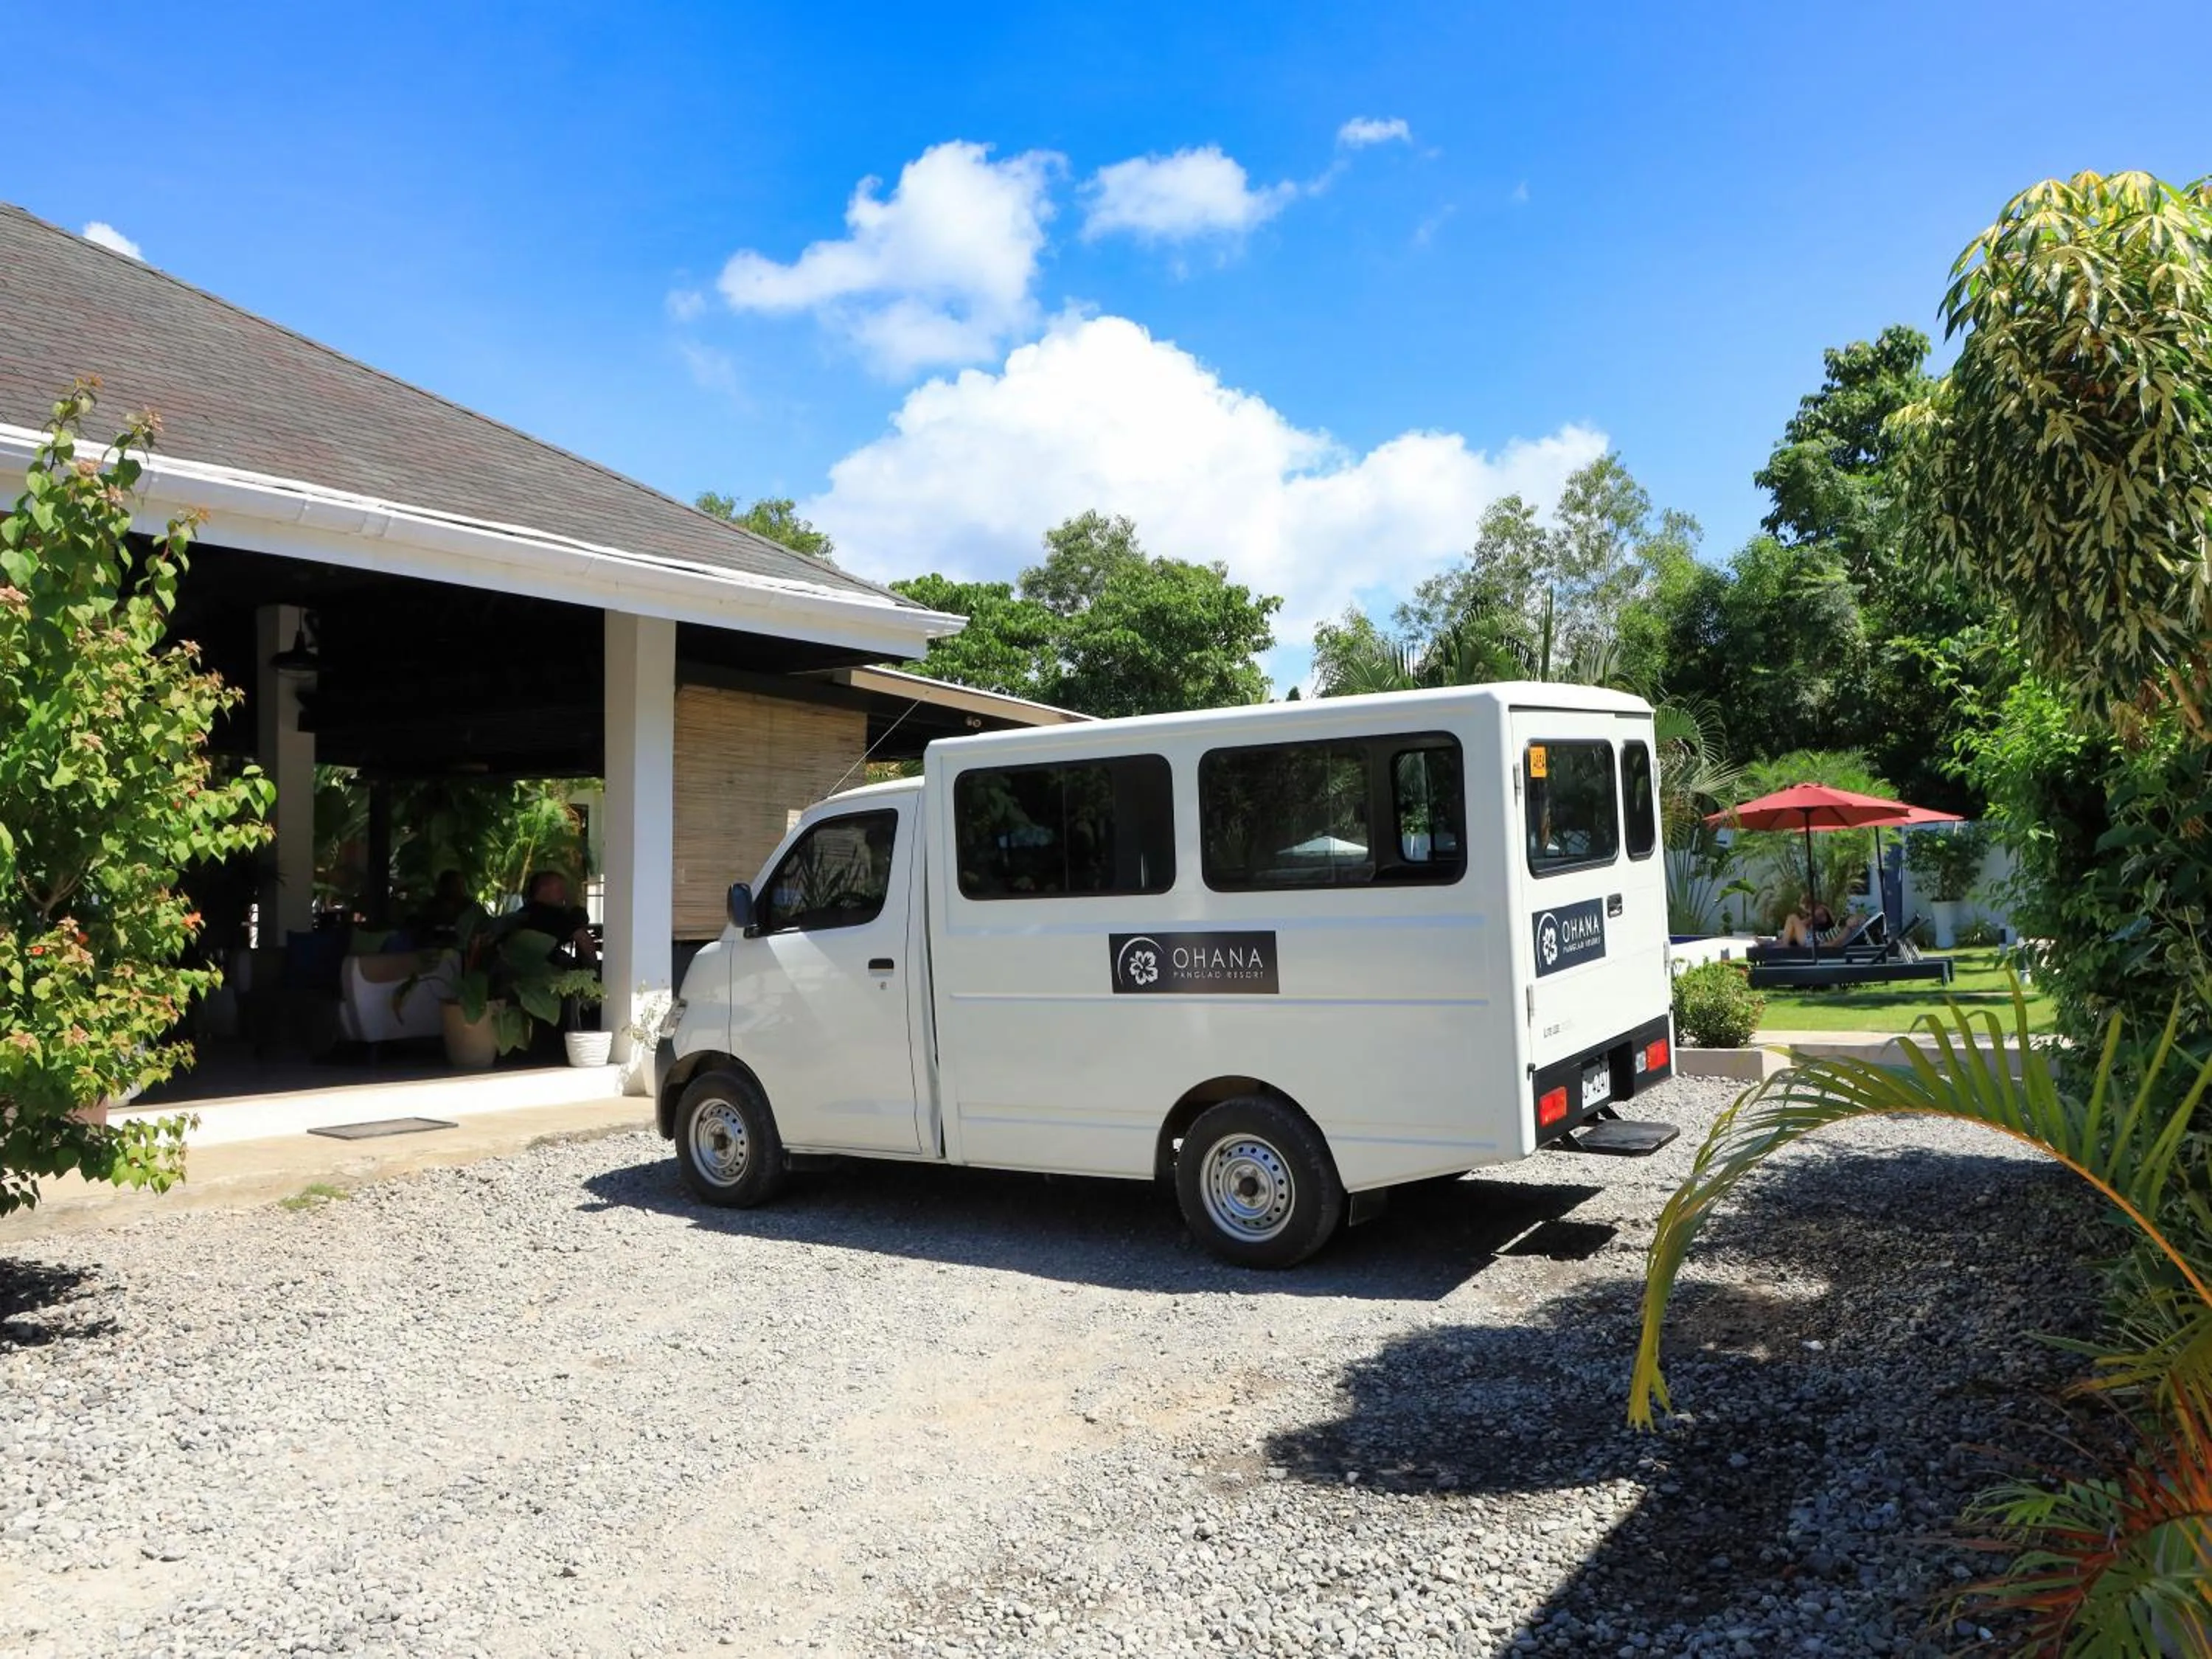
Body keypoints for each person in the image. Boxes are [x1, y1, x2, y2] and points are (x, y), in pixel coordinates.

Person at [513, 870, 597, 967]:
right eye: (560, 890)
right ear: (544, 890)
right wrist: (595, 969)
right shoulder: (553, 915)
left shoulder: (522, 914)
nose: (564, 895)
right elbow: (583, 939)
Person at [1774, 900, 1848, 949]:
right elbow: (1804, 923)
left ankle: (1784, 944)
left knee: (1792, 917)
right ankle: (1783, 941)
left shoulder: (1821, 910)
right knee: (1792, 929)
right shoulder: (1841, 927)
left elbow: (1835, 943)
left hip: (1814, 940)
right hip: (1815, 938)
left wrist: (1804, 909)